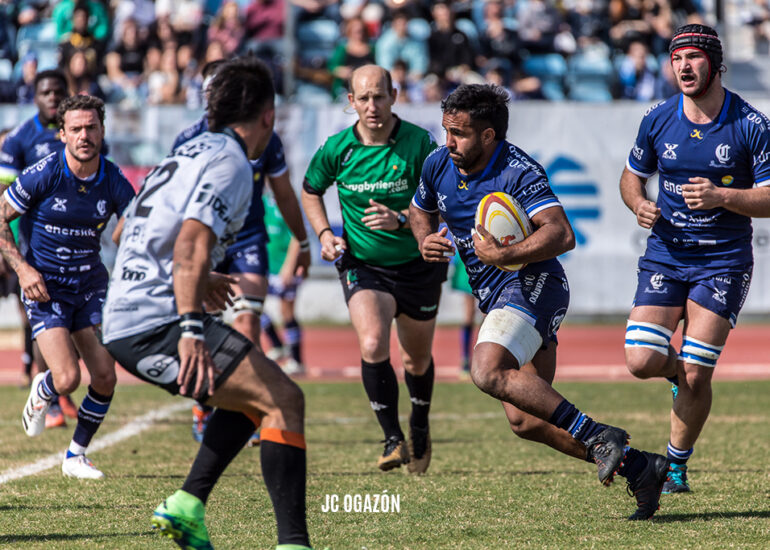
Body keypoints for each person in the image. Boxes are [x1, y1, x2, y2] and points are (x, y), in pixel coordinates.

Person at [410, 83, 670, 520]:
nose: (448, 142)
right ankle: (642, 467)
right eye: (445, 131)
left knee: (487, 370)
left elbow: (561, 233)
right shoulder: (439, 163)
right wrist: (424, 240)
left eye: (459, 133)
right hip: (497, 299)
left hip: (536, 284)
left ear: (489, 135)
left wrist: (503, 255)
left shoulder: (518, 171)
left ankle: (601, 434)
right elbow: (421, 209)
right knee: (527, 421)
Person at [101, 57, 312, 550]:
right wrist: (192, 328)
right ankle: (293, 543)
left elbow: (126, 230)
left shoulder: (188, 151)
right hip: (156, 322)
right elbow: (190, 242)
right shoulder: (233, 162)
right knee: (285, 400)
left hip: (131, 314)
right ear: (268, 115)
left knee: (256, 392)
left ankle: (188, 505)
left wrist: (201, 278)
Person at [620, 24, 770, 494]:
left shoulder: (751, 124)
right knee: (642, 359)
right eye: (676, 58)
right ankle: (674, 374)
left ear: (715, 63)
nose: (684, 66)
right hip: (665, 256)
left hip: (722, 263)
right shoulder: (658, 117)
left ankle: (676, 466)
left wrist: (723, 197)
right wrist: (638, 203)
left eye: (694, 57)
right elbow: (630, 176)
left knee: (697, 370)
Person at [302, 64, 444, 474]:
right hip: (363, 265)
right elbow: (311, 190)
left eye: (379, 96)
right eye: (362, 98)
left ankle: (419, 422)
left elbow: (444, 200)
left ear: (395, 96)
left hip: (417, 266)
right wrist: (325, 234)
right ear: (350, 102)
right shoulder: (338, 148)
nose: (372, 106)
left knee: (416, 360)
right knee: (372, 343)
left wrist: (402, 220)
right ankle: (392, 438)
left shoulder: (420, 143)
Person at [171, 61, 310, 444]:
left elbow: (283, 192)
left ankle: (240, 414)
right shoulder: (190, 139)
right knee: (207, 327)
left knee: (247, 326)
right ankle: (203, 402)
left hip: (248, 238)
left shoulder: (266, 137)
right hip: (208, 243)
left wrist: (302, 241)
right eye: (209, 89)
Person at [2, 95, 135, 479]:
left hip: (90, 283)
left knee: (106, 377)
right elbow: (1, 215)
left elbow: (137, 221)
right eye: (75, 128)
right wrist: (23, 270)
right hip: (46, 287)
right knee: (67, 379)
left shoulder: (111, 178)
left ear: (102, 131)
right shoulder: (44, 172)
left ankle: (75, 455)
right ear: (62, 134)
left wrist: (128, 232)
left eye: (91, 127)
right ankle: (43, 389)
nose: (84, 135)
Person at [0, 69, 81, 426]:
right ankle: (48, 392)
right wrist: (10, 253)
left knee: (75, 320)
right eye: (45, 92)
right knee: (39, 318)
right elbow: (2, 199)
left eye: (58, 92)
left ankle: (55, 390)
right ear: (34, 96)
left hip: (76, 243)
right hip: (32, 244)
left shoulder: (82, 131)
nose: (52, 98)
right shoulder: (19, 139)